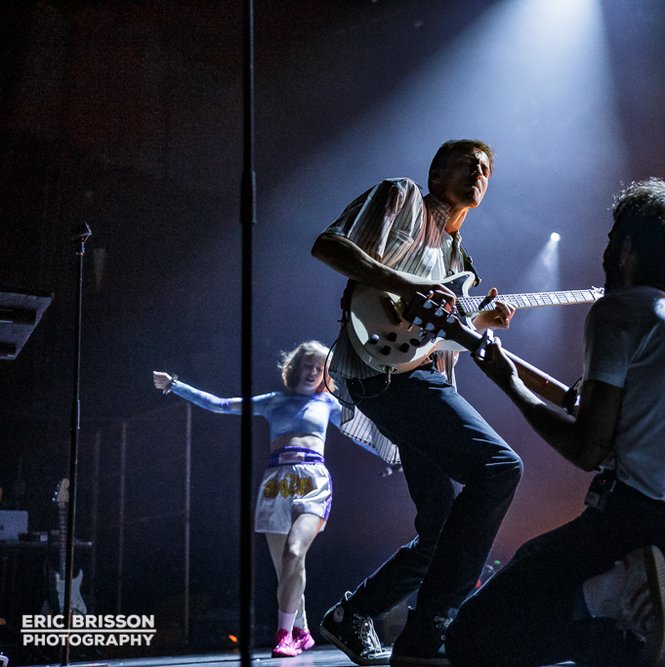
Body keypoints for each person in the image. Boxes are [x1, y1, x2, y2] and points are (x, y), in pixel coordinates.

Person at [446, 178, 665, 666]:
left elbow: (587, 449)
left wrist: (510, 386)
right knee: (564, 604)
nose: (606, 250)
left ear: (629, 248)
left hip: (629, 534)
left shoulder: (619, 312)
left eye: (613, 238)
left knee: (471, 638)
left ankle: (617, 601)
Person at [310, 139, 523, 667]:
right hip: (387, 375)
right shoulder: (401, 197)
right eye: (467, 163)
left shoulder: (460, 261)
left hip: (421, 374)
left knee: (442, 527)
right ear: (435, 174)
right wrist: (405, 282)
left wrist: (479, 322)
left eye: (486, 169)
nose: (478, 172)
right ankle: (431, 630)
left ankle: (353, 613)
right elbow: (329, 246)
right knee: (498, 467)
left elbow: (430, 334)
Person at [153, 340, 344, 658]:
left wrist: (396, 455)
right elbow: (219, 405)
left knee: (294, 552)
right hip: (276, 483)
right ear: (296, 367)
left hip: (313, 480)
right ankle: (302, 631)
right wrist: (175, 385)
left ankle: (284, 634)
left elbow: (364, 431)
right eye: (308, 365)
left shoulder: (329, 403)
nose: (313, 372)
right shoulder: (274, 401)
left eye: (319, 368)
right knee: (287, 568)